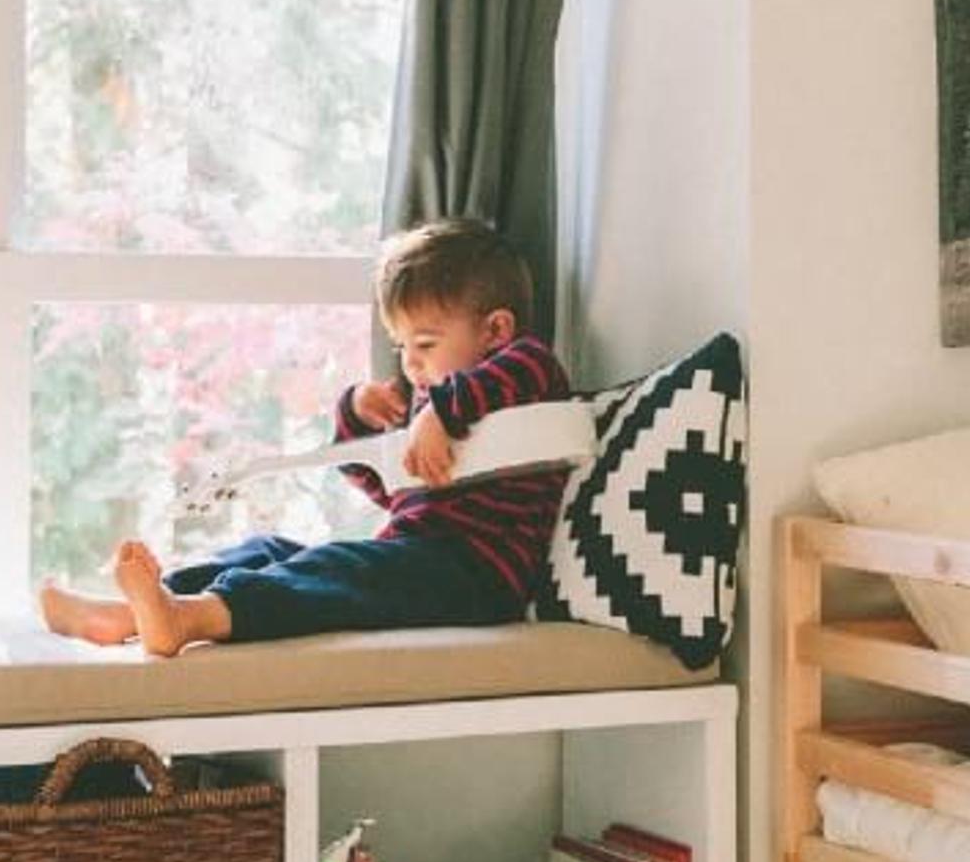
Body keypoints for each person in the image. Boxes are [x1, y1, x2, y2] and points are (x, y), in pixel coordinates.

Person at [37, 219, 571, 657]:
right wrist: (357, 419)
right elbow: (389, 489)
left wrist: (439, 413)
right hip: (418, 556)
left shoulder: (524, 378)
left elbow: (523, 366)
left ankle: (187, 618)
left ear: (496, 331)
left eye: (425, 343)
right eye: (402, 345)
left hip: (473, 579)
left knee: (335, 569)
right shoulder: (446, 409)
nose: (410, 364)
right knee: (268, 550)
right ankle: (137, 611)